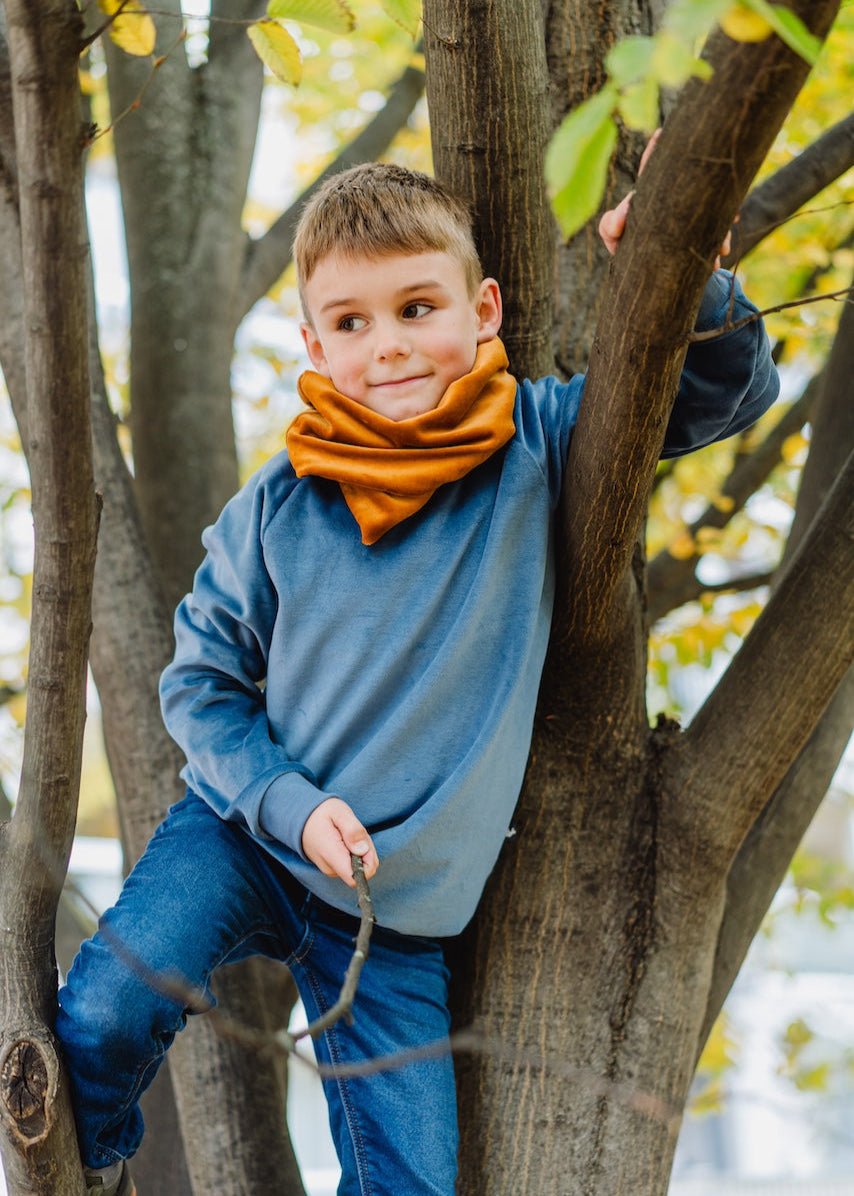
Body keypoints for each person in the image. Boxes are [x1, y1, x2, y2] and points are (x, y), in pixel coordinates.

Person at [56, 158, 778, 1196]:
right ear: (312, 342)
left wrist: (686, 276)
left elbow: (724, 392)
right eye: (348, 322)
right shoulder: (280, 501)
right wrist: (288, 805)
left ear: (481, 310)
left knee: (410, 1183)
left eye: (415, 307)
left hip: (391, 913)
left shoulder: (540, 439)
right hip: (245, 831)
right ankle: (92, 1173)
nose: (386, 343)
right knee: (97, 1015)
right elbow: (199, 683)